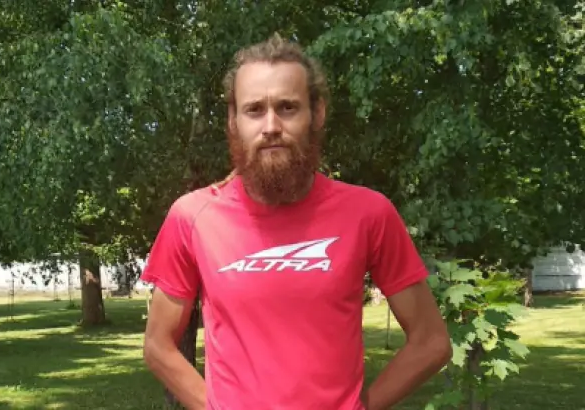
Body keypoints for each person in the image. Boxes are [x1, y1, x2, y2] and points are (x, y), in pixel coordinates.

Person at [141, 33, 452, 410]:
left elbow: (431, 342)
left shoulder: (369, 213)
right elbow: (158, 345)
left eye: (287, 107)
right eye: (254, 110)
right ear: (233, 120)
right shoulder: (192, 217)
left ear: (317, 113)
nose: (271, 125)